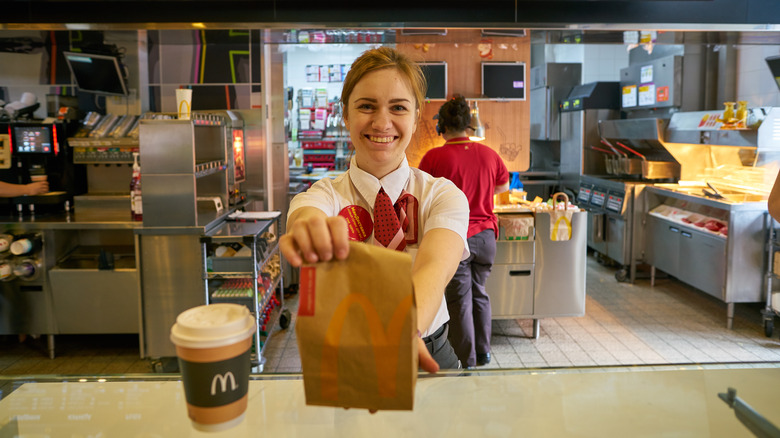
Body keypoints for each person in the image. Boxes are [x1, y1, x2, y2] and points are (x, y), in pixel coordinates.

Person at [279, 47, 470, 372]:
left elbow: (434, 270)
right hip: (349, 355)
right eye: (366, 106)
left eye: (398, 107)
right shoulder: (324, 195)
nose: (382, 122)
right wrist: (308, 229)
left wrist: (404, 331)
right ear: (345, 114)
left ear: (416, 115)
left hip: (426, 350)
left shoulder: (442, 196)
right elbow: (307, 213)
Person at [418, 95, 509, 368]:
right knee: (479, 292)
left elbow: (421, 196)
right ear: (469, 126)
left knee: (459, 299)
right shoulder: (490, 154)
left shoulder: (434, 157)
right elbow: (503, 188)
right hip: (486, 236)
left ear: (442, 127)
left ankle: (467, 361)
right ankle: (484, 352)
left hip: (455, 238)